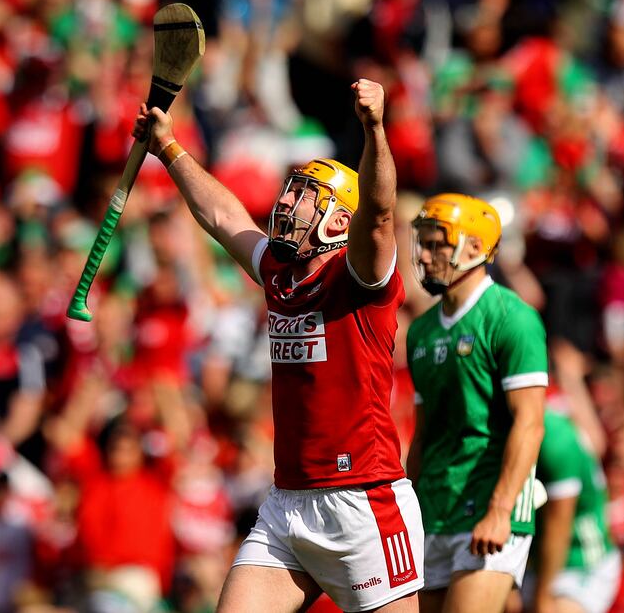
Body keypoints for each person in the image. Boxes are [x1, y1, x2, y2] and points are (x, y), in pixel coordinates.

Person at [132, 79, 423, 613]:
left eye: (303, 196)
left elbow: (380, 212)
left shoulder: (358, 276)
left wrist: (375, 129)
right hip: (288, 500)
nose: (286, 202)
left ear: (339, 220)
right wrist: (169, 149)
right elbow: (223, 217)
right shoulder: (278, 274)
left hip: (365, 499)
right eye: (290, 190)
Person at [405, 193, 548, 612]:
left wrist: (501, 509)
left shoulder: (511, 317)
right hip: (435, 505)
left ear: (474, 247)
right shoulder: (421, 332)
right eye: (423, 244)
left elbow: (530, 423)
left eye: (437, 245)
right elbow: (424, 431)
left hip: (489, 502)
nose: (426, 256)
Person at [530, 408, 620, 613]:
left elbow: (559, 528)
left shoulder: (556, 438)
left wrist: (542, 597)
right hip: (531, 557)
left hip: (579, 561)